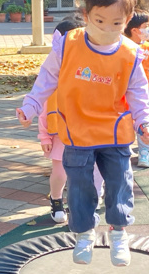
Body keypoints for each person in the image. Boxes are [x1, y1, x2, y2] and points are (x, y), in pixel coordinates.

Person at [17, 0, 149, 267]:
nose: (108, 29)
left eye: (117, 23)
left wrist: (144, 121)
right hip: (77, 132)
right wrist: (31, 106)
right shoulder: (68, 44)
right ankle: (83, 234)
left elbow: (138, 92)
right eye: (100, 21)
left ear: (128, 19)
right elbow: (47, 79)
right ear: (86, 15)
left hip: (114, 132)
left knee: (120, 182)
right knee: (79, 186)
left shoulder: (131, 54)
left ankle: (119, 233)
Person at [39, 17, 103, 224]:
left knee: (89, 170)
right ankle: (56, 199)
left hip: (88, 131)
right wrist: (44, 136)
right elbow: (44, 105)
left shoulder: (94, 65)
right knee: (60, 172)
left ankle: (84, 204)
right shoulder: (52, 71)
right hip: (60, 132)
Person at [125, 11, 149, 168]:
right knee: (127, 119)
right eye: (146, 26)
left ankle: (144, 152)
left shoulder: (148, 46)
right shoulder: (123, 46)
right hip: (124, 90)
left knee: (144, 120)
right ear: (134, 30)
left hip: (144, 89)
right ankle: (126, 147)